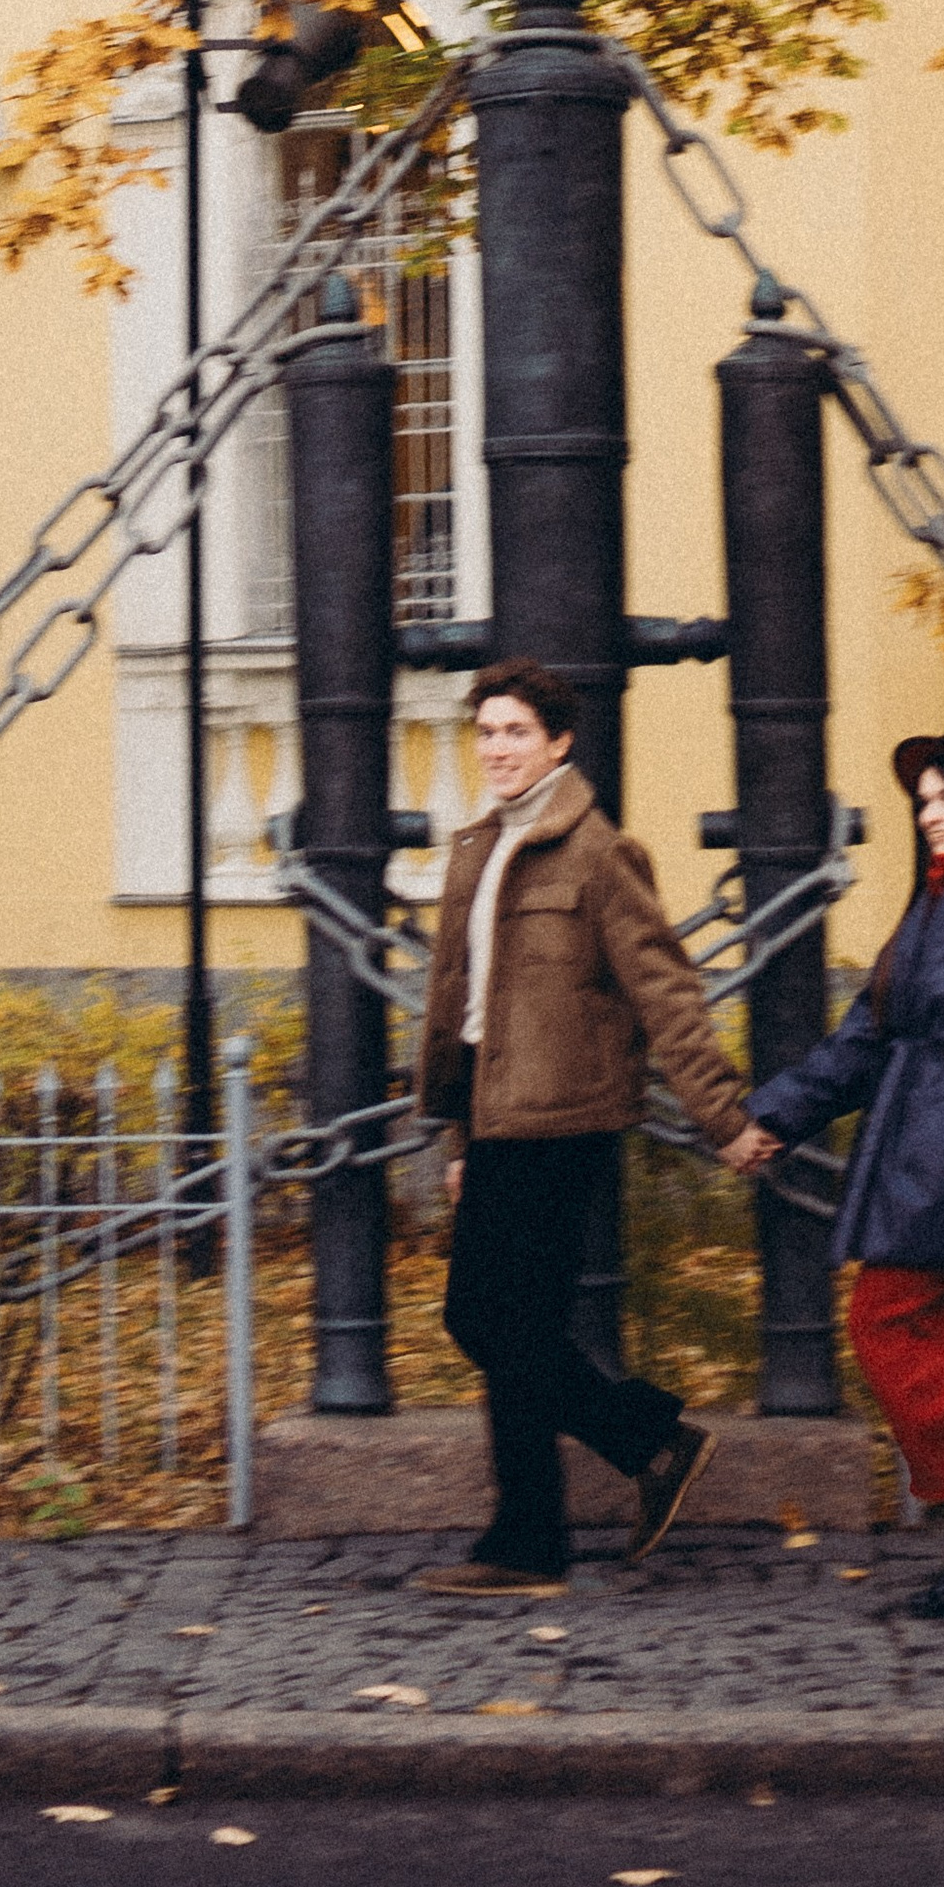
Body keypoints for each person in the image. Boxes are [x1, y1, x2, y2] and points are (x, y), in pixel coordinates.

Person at [410, 656, 778, 1598]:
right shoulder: (478, 848)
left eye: (516, 731)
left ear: (560, 741)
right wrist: (460, 1139)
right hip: (498, 1123)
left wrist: (722, 1117)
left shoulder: (598, 853)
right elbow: (467, 1014)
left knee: (490, 1319)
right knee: (503, 1325)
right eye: (487, 731)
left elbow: (667, 993)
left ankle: (562, 1510)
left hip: (564, 1121)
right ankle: (596, 1483)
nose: (497, 747)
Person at [744, 719, 944, 1620]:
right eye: (922, 800)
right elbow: (864, 1040)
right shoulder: (933, 913)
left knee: (882, 1324)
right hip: (922, 1162)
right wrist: (772, 1116)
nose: (930, 813)